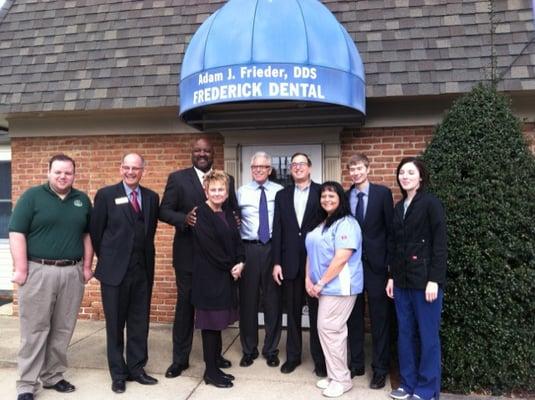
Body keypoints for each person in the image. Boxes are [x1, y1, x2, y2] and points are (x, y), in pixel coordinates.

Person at [9, 154, 93, 400]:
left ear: (74, 174)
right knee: (35, 330)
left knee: (63, 329)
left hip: (71, 272)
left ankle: (53, 376)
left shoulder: (82, 200)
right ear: (48, 171)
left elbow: (88, 235)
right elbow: (16, 233)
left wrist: (87, 266)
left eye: (67, 172)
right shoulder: (32, 197)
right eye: (58, 172)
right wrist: (22, 269)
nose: (63, 176)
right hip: (38, 272)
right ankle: (26, 384)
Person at [159, 137, 237, 378]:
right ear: (192, 153)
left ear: (213, 153)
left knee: (213, 307)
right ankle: (180, 359)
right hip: (188, 256)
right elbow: (164, 210)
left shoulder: (226, 179)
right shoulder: (177, 178)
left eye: (206, 150)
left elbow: (231, 208)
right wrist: (184, 219)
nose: (202, 154)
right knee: (186, 307)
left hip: (216, 260)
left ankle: (214, 357)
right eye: (197, 151)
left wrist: (236, 219)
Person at [90, 153, 160, 394]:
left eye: (136, 168)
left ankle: (137, 368)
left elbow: (148, 232)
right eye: (127, 167)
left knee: (140, 322)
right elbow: (96, 232)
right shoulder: (106, 195)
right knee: (116, 324)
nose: (131, 172)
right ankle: (118, 373)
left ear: (143, 171)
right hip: (114, 273)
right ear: (120, 169)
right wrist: (110, 258)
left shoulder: (151, 197)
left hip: (142, 270)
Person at [386, 157, 447, 400]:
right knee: (405, 334)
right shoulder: (398, 207)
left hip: (425, 283)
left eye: (410, 172)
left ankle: (426, 389)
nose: (405, 176)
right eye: (402, 173)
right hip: (401, 282)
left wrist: (435, 279)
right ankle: (407, 384)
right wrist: (391, 276)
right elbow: (394, 244)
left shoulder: (431, 203)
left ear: (421, 177)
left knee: (428, 337)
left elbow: (440, 244)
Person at [305, 181, 363, 398]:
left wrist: (320, 283)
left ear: (340, 198)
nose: (327, 199)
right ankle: (334, 375)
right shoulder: (322, 223)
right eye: (323, 196)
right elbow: (310, 253)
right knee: (328, 331)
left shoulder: (347, 223)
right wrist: (308, 281)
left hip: (340, 287)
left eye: (332, 195)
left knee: (331, 330)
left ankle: (342, 379)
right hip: (322, 287)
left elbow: (342, 258)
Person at [271, 152, 326, 376]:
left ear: (310, 167)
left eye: (302, 163)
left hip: (315, 264)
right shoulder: (282, 195)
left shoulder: (322, 192)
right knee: (292, 313)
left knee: (317, 315)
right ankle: (293, 357)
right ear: (290, 169)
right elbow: (278, 230)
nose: (298, 167)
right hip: (290, 263)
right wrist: (276, 263)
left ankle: (320, 360)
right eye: (294, 164)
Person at [191, 170, 245, 388]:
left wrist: (241, 261)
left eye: (221, 189)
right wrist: (231, 266)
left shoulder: (229, 212)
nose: (217, 193)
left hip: (226, 277)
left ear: (227, 191)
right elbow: (210, 247)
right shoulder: (200, 214)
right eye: (212, 189)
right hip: (209, 278)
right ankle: (210, 372)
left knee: (218, 324)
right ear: (206, 190)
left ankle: (216, 365)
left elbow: (237, 241)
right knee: (210, 326)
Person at [345, 153, 394, 388]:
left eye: (359, 168)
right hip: (352, 266)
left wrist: (390, 269)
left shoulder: (382, 194)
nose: (355, 172)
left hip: (377, 267)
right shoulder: (345, 196)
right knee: (353, 317)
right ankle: (356, 363)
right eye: (352, 169)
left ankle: (380, 368)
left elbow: (391, 231)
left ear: (367, 168)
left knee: (379, 319)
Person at [237, 151, 283, 368]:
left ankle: (271, 349)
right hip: (249, 249)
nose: (258, 170)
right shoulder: (241, 192)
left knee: (272, 301)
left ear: (269, 169)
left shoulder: (280, 191)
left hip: (272, 249)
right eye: (254, 167)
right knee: (248, 301)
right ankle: (249, 349)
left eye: (262, 167)